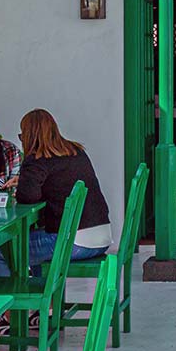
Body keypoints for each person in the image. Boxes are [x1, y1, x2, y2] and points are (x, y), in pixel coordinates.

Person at [14, 108, 114, 283]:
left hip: (73, 243)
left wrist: (25, 180)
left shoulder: (36, 160)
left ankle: (9, 306)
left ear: (30, 136)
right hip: (102, 238)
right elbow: (56, 183)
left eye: (22, 136)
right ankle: (43, 303)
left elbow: (26, 197)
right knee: (34, 240)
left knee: (0, 251)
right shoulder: (76, 151)